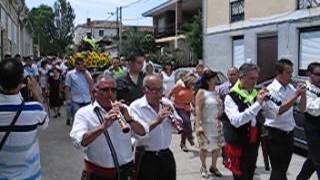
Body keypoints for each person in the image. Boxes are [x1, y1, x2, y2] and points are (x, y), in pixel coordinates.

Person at [70, 75, 148, 180]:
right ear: (95, 92)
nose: (110, 94)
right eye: (105, 90)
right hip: (97, 174)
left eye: (113, 90)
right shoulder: (84, 113)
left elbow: (143, 133)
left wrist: (129, 119)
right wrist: (102, 127)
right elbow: (79, 142)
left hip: (125, 172)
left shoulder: (125, 110)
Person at [0, 58, 49, 179]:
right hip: (30, 176)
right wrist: (34, 91)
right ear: (21, 81)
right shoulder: (34, 110)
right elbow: (44, 122)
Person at [130, 75, 182, 180]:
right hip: (147, 157)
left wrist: (176, 123)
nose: (159, 93)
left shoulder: (166, 103)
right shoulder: (136, 107)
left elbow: (178, 122)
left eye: (161, 89)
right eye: (155, 90)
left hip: (166, 154)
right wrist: (157, 121)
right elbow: (138, 133)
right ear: (145, 90)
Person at [223, 63, 270, 180]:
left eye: (256, 78)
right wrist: (258, 104)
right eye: (251, 78)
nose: (255, 82)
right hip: (238, 144)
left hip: (252, 142)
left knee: (249, 175)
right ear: (241, 77)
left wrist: (267, 104)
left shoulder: (254, 93)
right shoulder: (230, 97)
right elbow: (237, 121)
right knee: (240, 177)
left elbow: (271, 115)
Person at [264, 59, 306, 180]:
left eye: (292, 72)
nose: (291, 76)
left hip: (289, 133)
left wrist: (303, 95)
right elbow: (279, 110)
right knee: (278, 170)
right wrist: (296, 95)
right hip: (275, 134)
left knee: (282, 170)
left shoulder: (290, 88)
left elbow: (302, 109)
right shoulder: (271, 90)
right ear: (278, 72)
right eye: (288, 72)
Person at [195, 69, 224, 178]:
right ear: (208, 81)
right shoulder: (201, 92)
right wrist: (199, 125)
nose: (216, 80)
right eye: (214, 78)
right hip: (205, 124)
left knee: (217, 147)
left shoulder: (216, 91)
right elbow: (198, 108)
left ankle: (213, 166)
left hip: (216, 124)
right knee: (204, 147)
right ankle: (203, 167)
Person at [296, 62, 320, 180]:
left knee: (312, 160)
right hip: (313, 127)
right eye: (318, 74)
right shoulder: (304, 87)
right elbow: (312, 110)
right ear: (309, 74)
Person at [169, 73, 197, 152]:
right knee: (186, 121)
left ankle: (183, 143)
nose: (193, 85)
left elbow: (192, 100)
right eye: (192, 83)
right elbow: (170, 93)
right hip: (178, 107)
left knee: (185, 126)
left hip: (187, 108)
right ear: (188, 82)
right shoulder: (179, 86)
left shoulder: (191, 89)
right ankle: (190, 137)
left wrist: (195, 108)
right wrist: (167, 103)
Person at [65, 57, 94, 125]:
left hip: (87, 99)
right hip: (76, 100)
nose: (80, 66)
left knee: (87, 117)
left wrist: (85, 73)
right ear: (75, 65)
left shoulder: (87, 73)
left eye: (82, 64)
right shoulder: (70, 74)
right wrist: (67, 99)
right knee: (77, 117)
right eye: (78, 64)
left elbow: (91, 83)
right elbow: (67, 87)